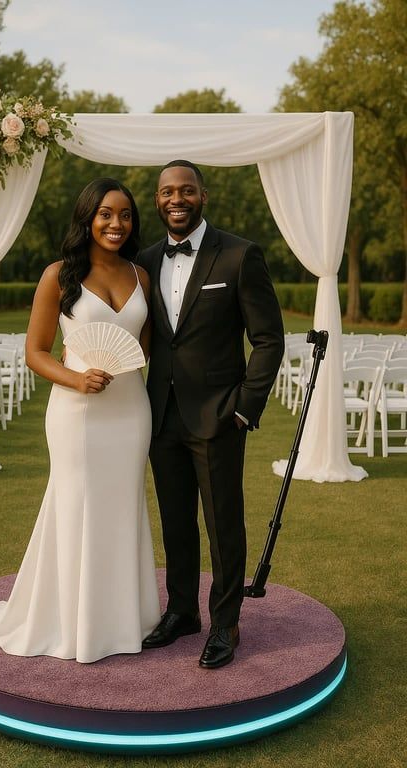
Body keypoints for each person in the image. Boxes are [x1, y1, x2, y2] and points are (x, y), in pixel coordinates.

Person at [0, 178, 160, 663]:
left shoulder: (142, 276)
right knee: (77, 507)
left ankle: (124, 620)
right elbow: (35, 352)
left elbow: (146, 348)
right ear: (88, 218)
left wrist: (122, 366)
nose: (117, 224)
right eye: (106, 214)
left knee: (122, 507)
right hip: (77, 411)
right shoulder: (59, 275)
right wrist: (76, 379)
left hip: (131, 410)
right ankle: (74, 623)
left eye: (126, 215)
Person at [137, 160, 284, 669]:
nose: (175, 199)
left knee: (223, 524)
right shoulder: (144, 260)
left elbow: (268, 340)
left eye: (186, 190)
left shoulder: (241, 255)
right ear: (156, 200)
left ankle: (225, 622)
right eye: (166, 192)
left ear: (204, 195)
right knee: (175, 521)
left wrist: (244, 409)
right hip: (161, 416)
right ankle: (182, 611)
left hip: (221, 415)